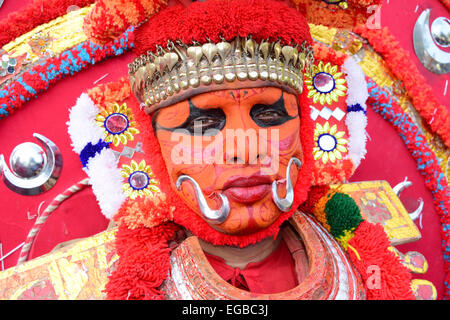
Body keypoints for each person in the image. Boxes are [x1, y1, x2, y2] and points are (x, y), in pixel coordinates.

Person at [65, 0, 420, 300]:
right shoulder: (97, 284)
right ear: (152, 146)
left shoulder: (364, 256)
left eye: (269, 114)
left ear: (307, 131)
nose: (244, 151)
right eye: (202, 124)